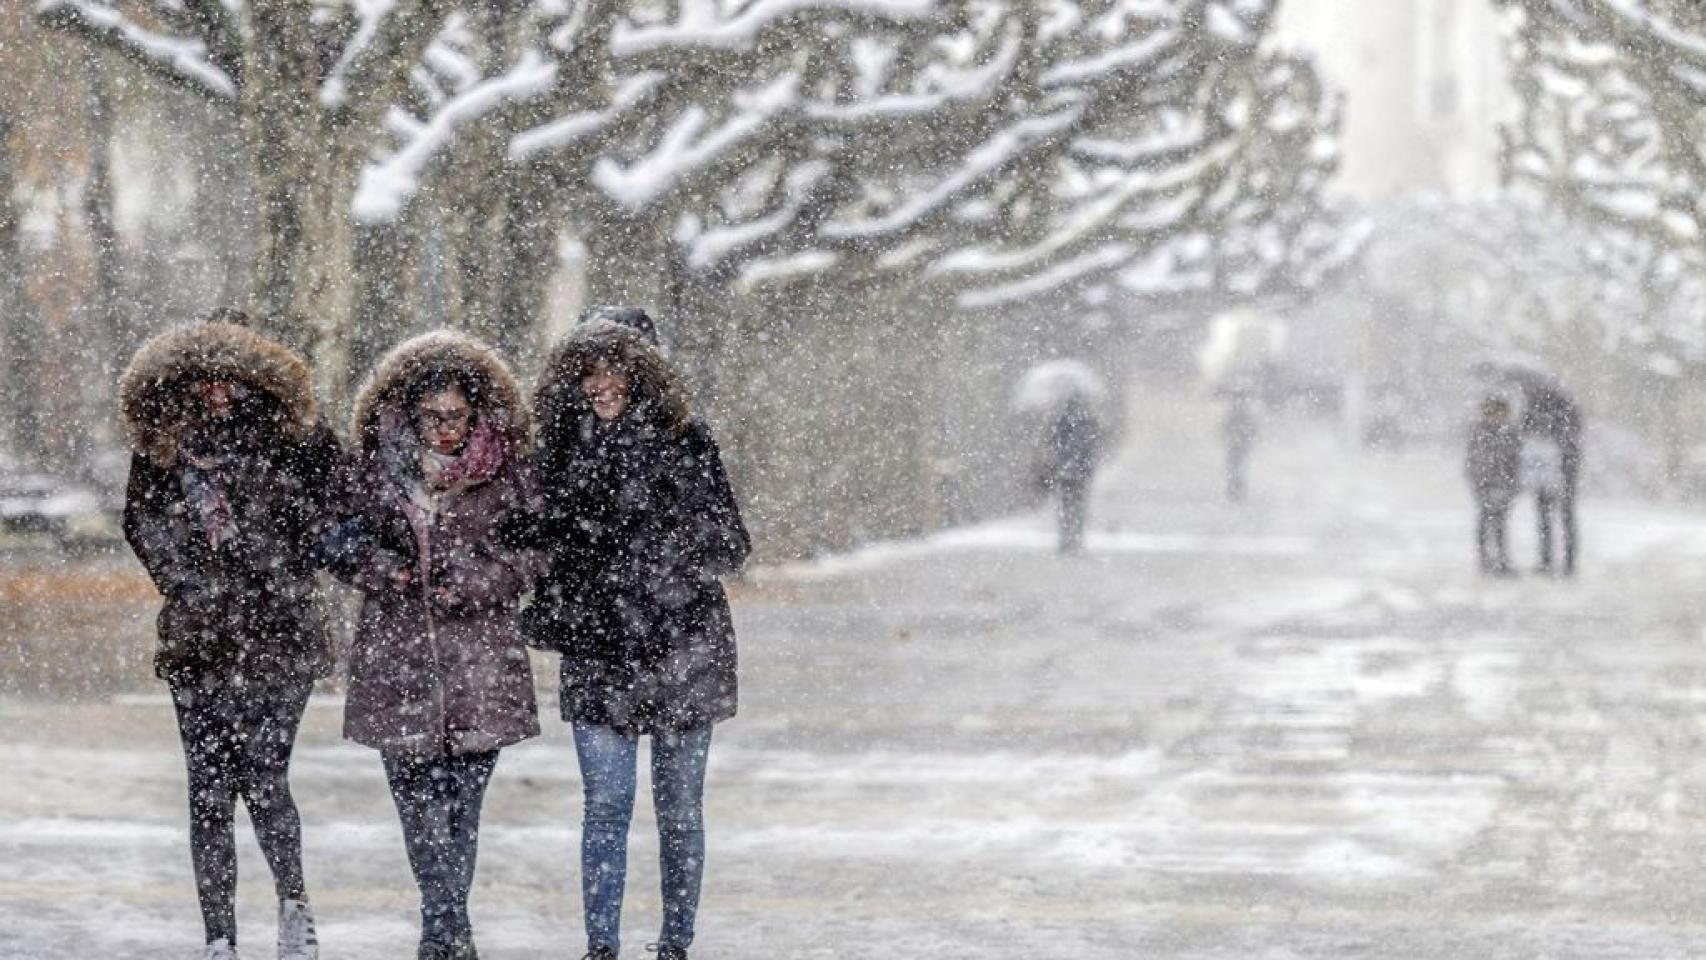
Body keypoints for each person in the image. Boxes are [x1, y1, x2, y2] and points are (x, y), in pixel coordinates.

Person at [524, 317, 750, 960]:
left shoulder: (686, 441)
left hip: (683, 646)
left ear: (643, 373)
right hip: (598, 648)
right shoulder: (559, 448)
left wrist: (662, 535)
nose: (601, 386)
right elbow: (536, 537)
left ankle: (675, 942)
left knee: (679, 811)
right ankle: (602, 947)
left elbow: (732, 545)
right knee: (606, 805)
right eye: (588, 372)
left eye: (613, 370)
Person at [119, 314, 338, 960]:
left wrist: (275, 562)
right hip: (198, 642)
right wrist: (187, 580)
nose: (218, 390)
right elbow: (141, 520)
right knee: (208, 791)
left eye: (233, 375)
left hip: (281, 638)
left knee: (264, 777)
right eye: (206, 376)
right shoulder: (163, 442)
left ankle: (294, 907)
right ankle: (220, 936)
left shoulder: (295, 437)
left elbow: (329, 512)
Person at [324, 331, 539, 960]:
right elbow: (334, 539)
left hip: (481, 663)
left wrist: (484, 579)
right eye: (431, 416)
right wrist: (383, 571)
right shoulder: (373, 468)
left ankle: (444, 928)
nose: (445, 429)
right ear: (407, 413)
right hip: (397, 660)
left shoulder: (509, 471)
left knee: (462, 805)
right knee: (418, 807)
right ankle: (445, 926)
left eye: (457, 415)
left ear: (477, 413)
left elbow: (538, 548)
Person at [1518, 382, 1582, 575]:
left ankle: (1555, 561)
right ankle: (1561, 561)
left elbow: (1525, 433)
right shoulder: (1563, 407)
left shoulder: (1552, 408)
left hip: (1557, 470)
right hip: (1552, 471)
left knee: (1554, 518)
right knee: (1558, 518)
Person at [1035, 391, 1103, 554]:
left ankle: (1066, 538)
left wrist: (1056, 461)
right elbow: (1094, 444)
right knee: (1078, 505)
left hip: (1065, 470)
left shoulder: (1059, 419)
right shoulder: (1088, 420)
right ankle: (1076, 537)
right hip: (1082, 470)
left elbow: (1051, 442)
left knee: (1065, 504)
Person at [1465, 395, 1522, 577]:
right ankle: (1485, 560)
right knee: (1485, 521)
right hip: (1486, 484)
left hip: (1504, 484)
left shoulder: (1511, 434)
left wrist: (1512, 484)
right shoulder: (1480, 432)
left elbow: (1516, 461)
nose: (1498, 417)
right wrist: (1479, 482)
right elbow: (1473, 461)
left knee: (1500, 523)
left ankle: (1501, 559)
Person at [1223, 391, 1259, 502]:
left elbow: (1225, 429)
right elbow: (1253, 431)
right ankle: (1236, 492)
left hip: (1238, 446)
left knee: (1236, 470)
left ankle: (1235, 492)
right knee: (1236, 470)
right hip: (1237, 446)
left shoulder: (1237, 416)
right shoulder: (1241, 416)